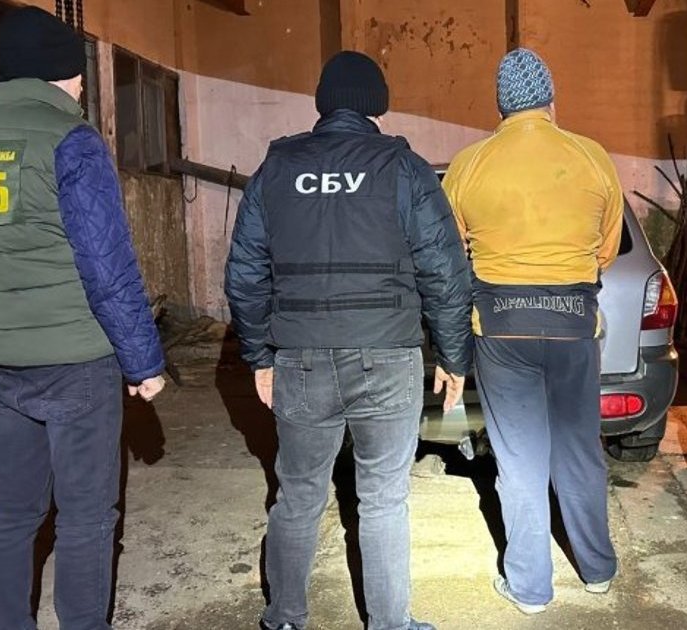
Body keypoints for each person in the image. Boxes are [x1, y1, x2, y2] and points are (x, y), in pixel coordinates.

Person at [0, 7, 166, 629]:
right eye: (79, 73)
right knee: (86, 514)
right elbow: (105, 263)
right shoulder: (69, 139)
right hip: (77, 360)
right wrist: (143, 361)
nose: (84, 85)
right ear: (58, 73)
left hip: (5, 361)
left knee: (15, 509)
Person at [224, 51, 472, 630]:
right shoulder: (401, 166)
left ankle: (285, 617)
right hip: (386, 357)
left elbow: (244, 274)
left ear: (323, 104)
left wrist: (259, 355)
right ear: (376, 106)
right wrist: (453, 355)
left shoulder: (278, 167)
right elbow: (444, 270)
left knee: (298, 494)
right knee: (383, 498)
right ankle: (389, 623)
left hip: (301, 360)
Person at [442, 48, 622, 615]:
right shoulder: (591, 156)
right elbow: (607, 250)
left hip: (501, 330)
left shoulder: (469, 164)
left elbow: (452, 252)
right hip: (573, 326)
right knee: (579, 451)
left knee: (519, 461)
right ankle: (597, 570)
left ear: (499, 107)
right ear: (551, 101)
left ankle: (530, 587)